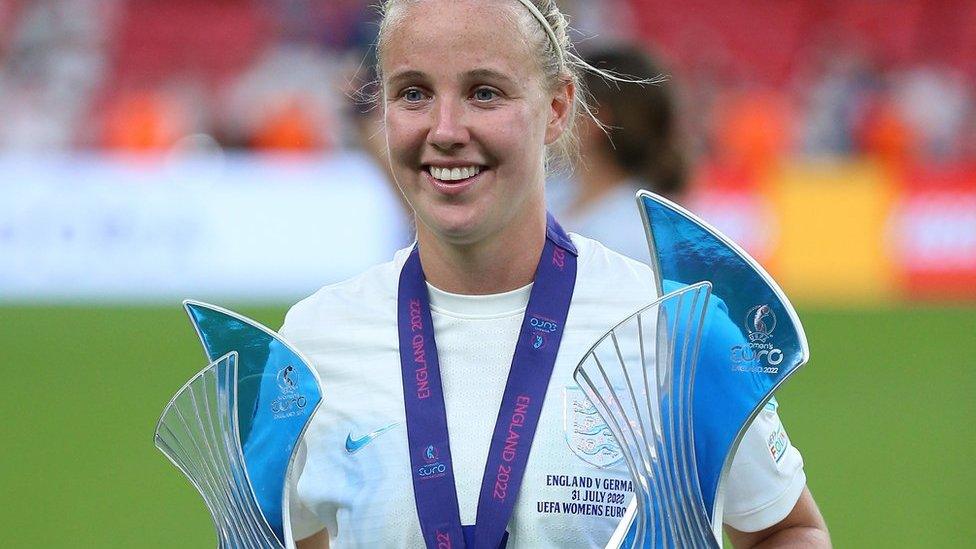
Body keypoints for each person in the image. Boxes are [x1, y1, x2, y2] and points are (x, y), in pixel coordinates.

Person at [283, 1, 829, 547]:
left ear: (558, 108)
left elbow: (786, 529)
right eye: (413, 93)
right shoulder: (312, 348)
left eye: (484, 92)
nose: (445, 129)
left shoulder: (674, 329)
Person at [548, 44, 688, 263]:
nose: (554, 113)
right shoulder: (553, 194)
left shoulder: (634, 236)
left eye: (565, 103)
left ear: (597, 120)